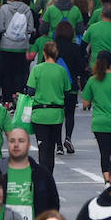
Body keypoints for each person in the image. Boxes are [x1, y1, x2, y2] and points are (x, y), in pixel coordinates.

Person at [0, 125, 61, 220]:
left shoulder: (42, 174)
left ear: (29, 145)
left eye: (21, 141)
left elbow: (53, 205)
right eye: (12, 141)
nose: (16, 145)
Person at [23, 41, 71, 175]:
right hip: (57, 114)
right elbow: (67, 91)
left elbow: (30, 91)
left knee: (42, 149)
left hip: (40, 114)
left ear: (44, 53)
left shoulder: (37, 69)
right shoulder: (61, 70)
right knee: (51, 148)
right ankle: (49, 175)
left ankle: (43, 177)